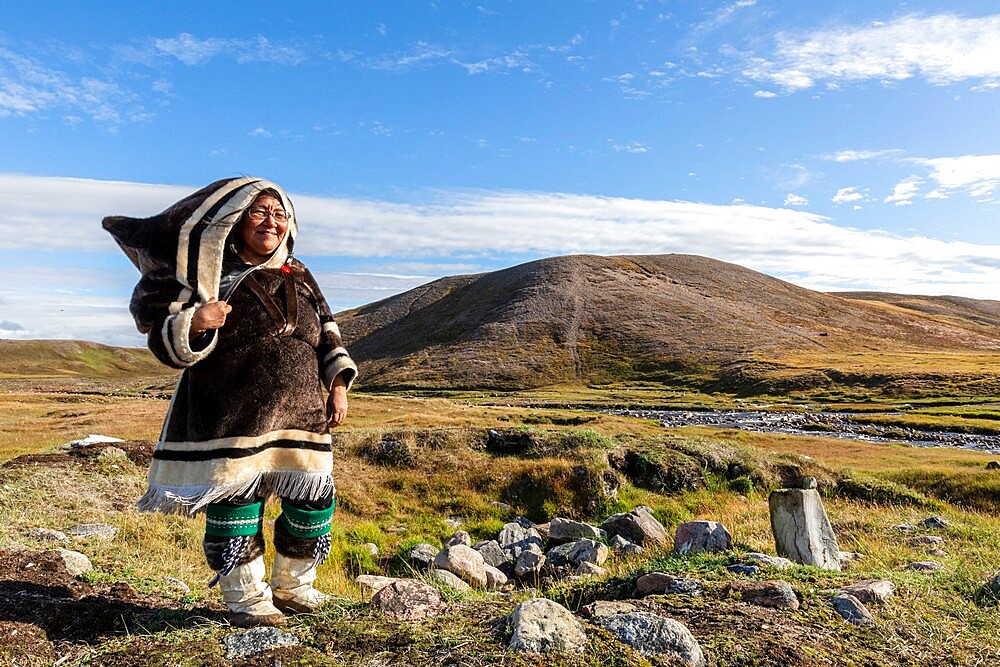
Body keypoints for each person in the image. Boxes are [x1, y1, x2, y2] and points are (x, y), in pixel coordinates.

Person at [103, 177, 357, 627]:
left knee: (313, 500)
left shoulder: (300, 273)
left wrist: (337, 381)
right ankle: (245, 599)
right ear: (237, 219)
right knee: (238, 502)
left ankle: (294, 586)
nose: (270, 222)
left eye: (279, 215)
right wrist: (197, 321)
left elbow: (327, 328)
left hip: (301, 409)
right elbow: (161, 332)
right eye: (260, 212)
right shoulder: (207, 273)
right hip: (229, 408)